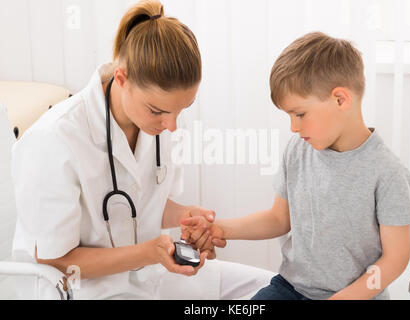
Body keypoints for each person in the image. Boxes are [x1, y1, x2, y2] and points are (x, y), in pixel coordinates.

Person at [11, 0, 273, 299]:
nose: (172, 125)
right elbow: (54, 258)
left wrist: (186, 215)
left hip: (148, 275)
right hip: (81, 288)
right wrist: (150, 253)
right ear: (122, 79)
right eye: (158, 111)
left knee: (274, 290)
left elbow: (142, 203)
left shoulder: (160, 122)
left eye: (181, 109)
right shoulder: (54, 139)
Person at [181, 32, 410, 300]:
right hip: (291, 289)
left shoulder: (387, 173)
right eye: (289, 116)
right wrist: (219, 229)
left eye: (300, 114)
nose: (293, 127)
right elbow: (278, 219)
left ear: (340, 99)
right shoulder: (299, 149)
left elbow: (395, 259)